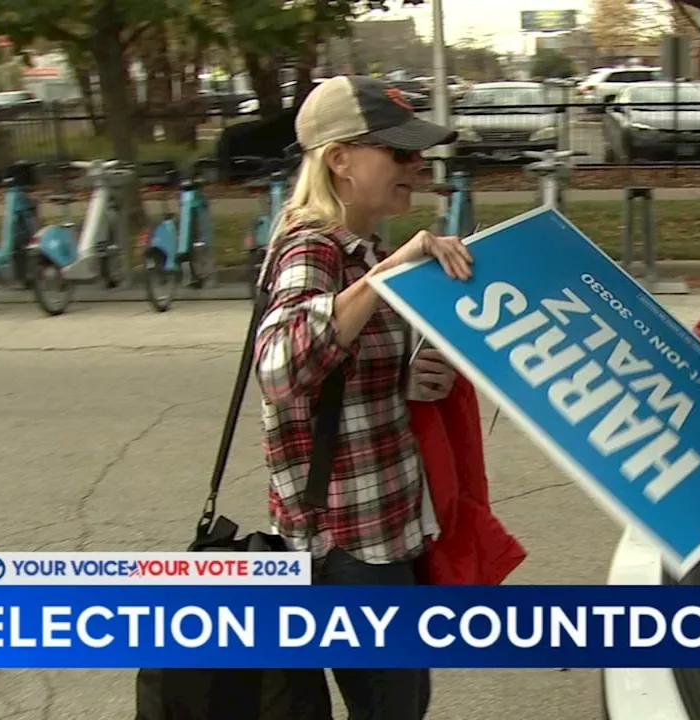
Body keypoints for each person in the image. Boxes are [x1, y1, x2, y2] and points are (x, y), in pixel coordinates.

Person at [251, 75, 473, 720]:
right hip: (349, 546)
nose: (418, 165)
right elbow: (279, 366)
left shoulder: (357, 248)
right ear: (340, 160)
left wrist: (403, 381)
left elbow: (330, 383)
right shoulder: (312, 247)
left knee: (401, 702)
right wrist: (384, 276)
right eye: (400, 152)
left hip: (382, 531)